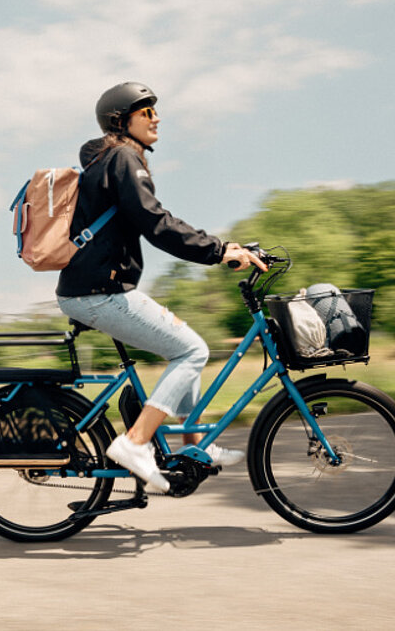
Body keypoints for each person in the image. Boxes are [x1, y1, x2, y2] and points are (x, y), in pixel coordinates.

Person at [56, 81, 267, 492]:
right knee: (192, 351)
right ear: (122, 121)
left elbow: (155, 219)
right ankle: (134, 442)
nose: (157, 118)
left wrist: (223, 247)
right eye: (147, 112)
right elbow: (156, 223)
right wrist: (218, 250)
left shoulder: (112, 158)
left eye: (155, 111)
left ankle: (193, 445)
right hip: (98, 292)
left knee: (185, 346)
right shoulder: (122, 157)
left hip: (99, 288)